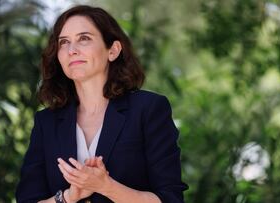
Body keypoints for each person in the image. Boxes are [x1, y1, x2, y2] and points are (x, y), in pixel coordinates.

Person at [16, 5, 188, 203]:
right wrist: (68, 197)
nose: (72, 50)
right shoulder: (46, 122)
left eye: (84, 38)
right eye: (64, 42)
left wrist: (106, 187)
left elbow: (170, 198)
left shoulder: (148, 109)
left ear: (113, 51)